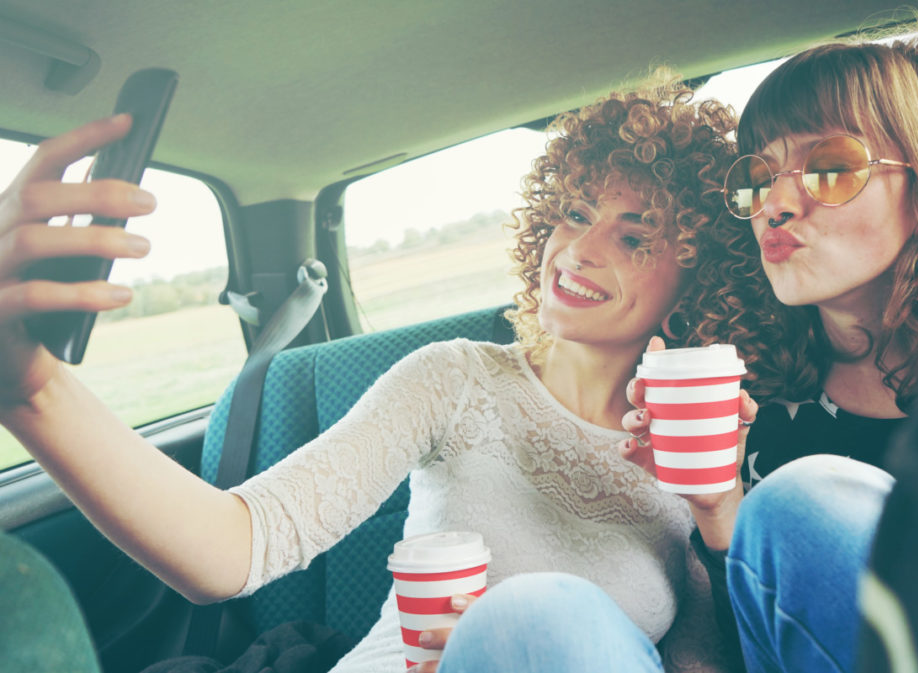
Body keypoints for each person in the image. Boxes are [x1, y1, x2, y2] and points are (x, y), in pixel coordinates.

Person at [0, 72, 748, 672]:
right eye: (577, 212)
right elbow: (234, 546)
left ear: (697, 273)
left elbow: (704, 661)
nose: (581, 250)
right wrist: (32, 389)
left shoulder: (700, 442)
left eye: (635, 235)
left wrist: (716, 514)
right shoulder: (454, 379)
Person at [435, 15, 918, 673]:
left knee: (804, 504)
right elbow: (734, 653)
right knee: (526, 617)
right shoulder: (731, 376)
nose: (776, 203)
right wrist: (715, 505)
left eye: (829, 167)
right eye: (759, 177)